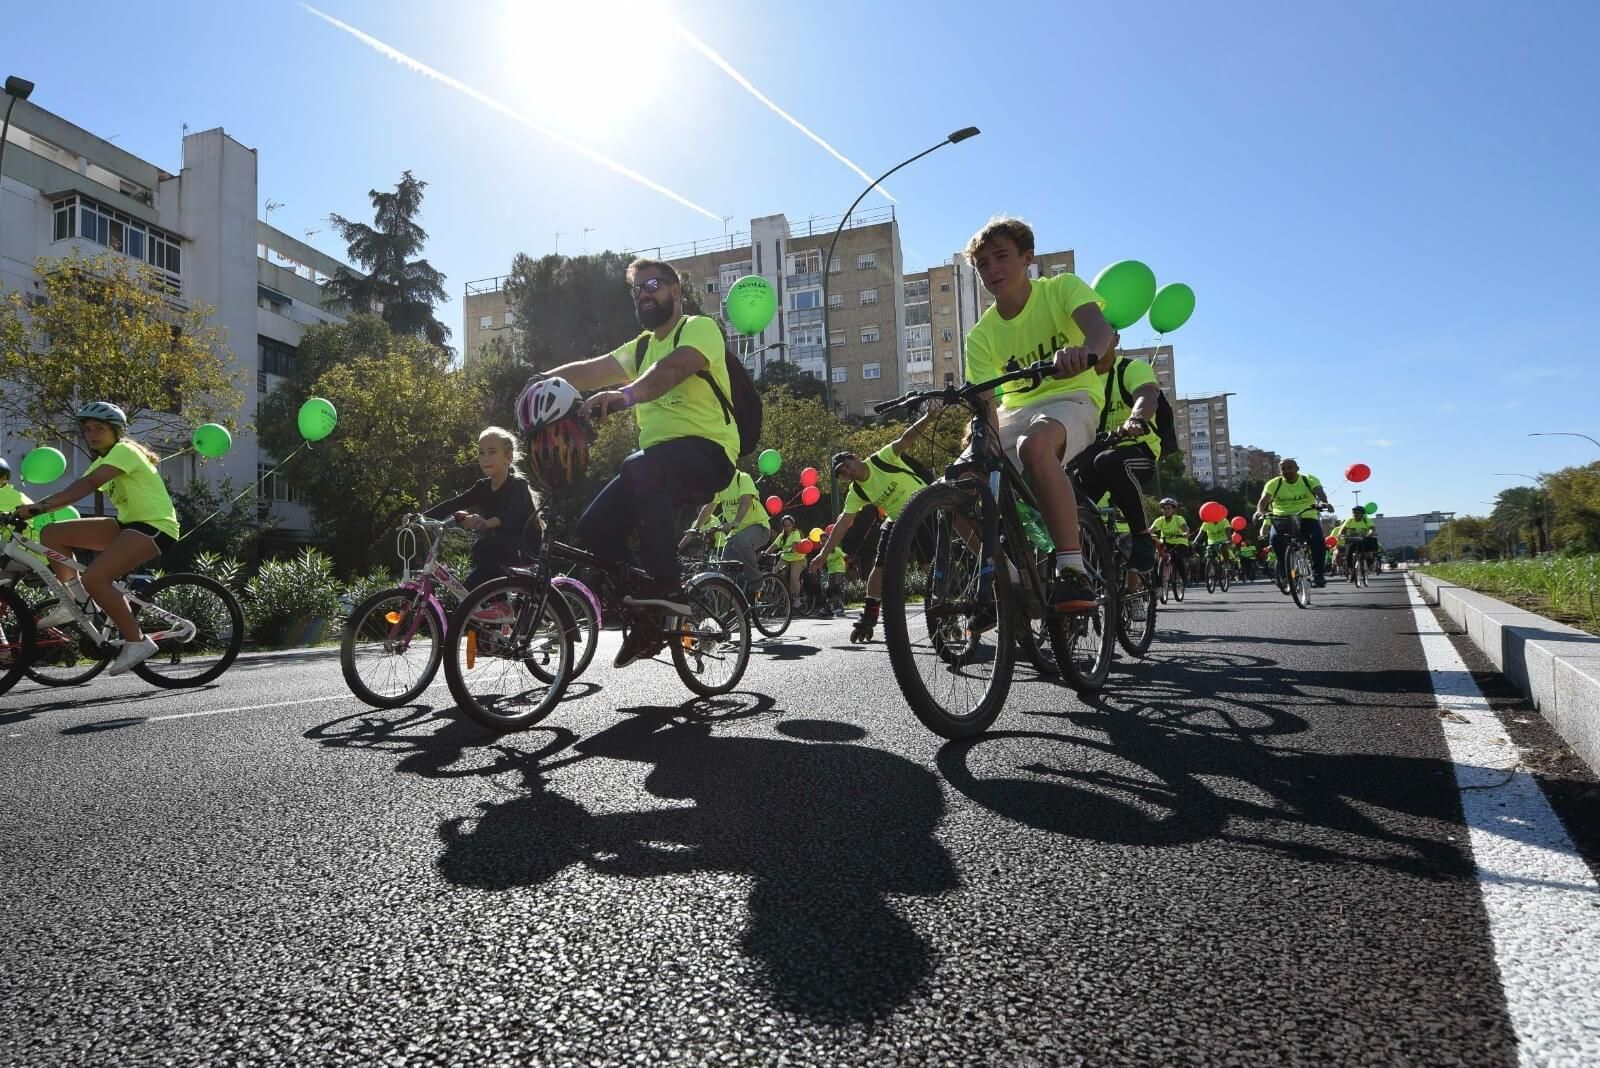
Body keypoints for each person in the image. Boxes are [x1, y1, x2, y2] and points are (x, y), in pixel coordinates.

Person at [534, 258, 738, 667]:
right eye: (637, 289)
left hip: (709, 454)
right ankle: (649, 615)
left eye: (653, 285)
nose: (645, 293)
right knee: (593, 527)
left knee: (637, 464)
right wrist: (540, 381)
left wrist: (624, 395)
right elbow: (591, 370)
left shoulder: (699, 328)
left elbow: (671, 371)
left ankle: (667, 584)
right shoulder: (641, 347)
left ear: (676, 290)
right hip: (656, 468)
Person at [959, 217, 1115, 612]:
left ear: (1028, 257)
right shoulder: (980, 336)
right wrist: (981, 446)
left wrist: (1086, 352)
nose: (992, 269)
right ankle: (1008, 577)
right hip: (1016, 411)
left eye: (1001, 257)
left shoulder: (1061, 288)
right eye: (982, 264)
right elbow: (988, 404)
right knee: (960, 480)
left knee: (1035, 447)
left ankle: (1072, 570)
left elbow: (1101, 331)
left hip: (1073, 398)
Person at [16, 402, 179, 675]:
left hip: (155, 526)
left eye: (99, 428)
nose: (92, 434)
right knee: (51, 533)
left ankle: (137, 641)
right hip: (127, 525)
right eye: (88, 429)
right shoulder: (103, 460)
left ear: (116, 431)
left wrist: (41, 507)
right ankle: (76, 601)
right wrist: (29, 509)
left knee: (95, 578)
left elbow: (88, 484)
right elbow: (73, 490)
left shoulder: (125, 451)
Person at [807, 404, 939, 643]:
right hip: (898, 518)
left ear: (855, 457)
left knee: (927, 564)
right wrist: (823, 555)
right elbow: (843, 523)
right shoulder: (856, 491)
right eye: (842, 473)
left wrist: (929, 417)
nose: (847, 472)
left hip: (923, 506)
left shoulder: (881, 459)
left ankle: (942, 610)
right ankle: (869, 616)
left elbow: (906, 439)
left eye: (847, 466)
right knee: (879, 568)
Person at [1073, 337, 1161, 572]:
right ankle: (1087, 553)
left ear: (1115, 338)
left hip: (1136, 450)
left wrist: (1136, 419)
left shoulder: (1131, 368)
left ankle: (1142, 537)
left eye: (1103, 333)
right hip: (1093, 454)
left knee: (1109, 461)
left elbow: (1146, 395)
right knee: (1067, 487)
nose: (1094, 338)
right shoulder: (1081, 379)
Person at [422, 427, 539, 593]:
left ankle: (481, 600)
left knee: (482, 548)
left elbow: (511, 515)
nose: (485, 458)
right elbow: (454, 503)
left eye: (492, 452)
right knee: (483, 556)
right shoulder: (482, 487)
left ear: (508, 457)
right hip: (501, 547)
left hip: (527, 547)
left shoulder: (519, 486)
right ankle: (491, 602)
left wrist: (485, 523)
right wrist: (421, 517)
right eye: (481, 453)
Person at [683, 468, 769, 597]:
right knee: (724, 571)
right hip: (736, 533)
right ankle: (729, 606)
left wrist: (735, 522)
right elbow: (709, 507)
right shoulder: (721, 485)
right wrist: (696, 528)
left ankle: (758, 583)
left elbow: (746, 500)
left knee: (741, 542)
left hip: (758, 527)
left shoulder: (742, 477)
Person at [1257, 457, 1333, 587]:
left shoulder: (1308, 479)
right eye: (1283, 469)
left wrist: (1323, 502)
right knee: (1275, 540)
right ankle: (1284, 573)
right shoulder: (1274, 483)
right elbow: (1264, 499)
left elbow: (1319, 492)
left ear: (1297, 468)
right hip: (1282, 518)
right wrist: (1259, 511)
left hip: (1307, 516)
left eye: (1290, 468)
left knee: (1317, 540)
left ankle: (1318, 574)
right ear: (1280, 471)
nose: (1287, 471)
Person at [1150, 498, 1191, 587]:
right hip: (1165, 543)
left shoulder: (1178, 518)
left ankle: (1184, 578)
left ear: (1173, 510)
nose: (1166, 510)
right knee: (1154, 558)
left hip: (1179, 543)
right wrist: (1144, 533)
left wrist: (1186, 532)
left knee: (1177, 557)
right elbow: (1151, 529)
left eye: (1169, 508)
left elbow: (1184, 527)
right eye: (1164, 508)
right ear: (1162, 510)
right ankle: (1157, 580)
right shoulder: (1160, 520)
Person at [1336, 506, 1378, 575]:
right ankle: (1351, 571)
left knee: (1367, 553)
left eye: (1358, 513)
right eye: (1354, 513)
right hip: (1351, 540)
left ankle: (1369, 564)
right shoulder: (1349, 520)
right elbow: (1343, 529)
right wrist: (1340, 534)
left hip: (1363, 540)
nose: (1355, 514)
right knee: (1348, 556)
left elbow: (1372, 528)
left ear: (1362, 514)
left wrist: (1370, 533)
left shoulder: (1366, 520)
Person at [772, 515, 806, 599]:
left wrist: (792, 549)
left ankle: (796, 598)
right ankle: (782, 594)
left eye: (788, 525)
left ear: (792, 525)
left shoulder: (795, 533)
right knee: (775, 573)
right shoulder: (781, 536)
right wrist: (765, 552)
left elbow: (795, 544)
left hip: (798, 559)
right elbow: (774, 545)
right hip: (785, 558)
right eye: (784, 525)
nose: (786, 527)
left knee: (793, 578)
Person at [1192, 513, 1233, 581]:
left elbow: (1228, 531)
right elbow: (1201, 533)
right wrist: (1195, 541)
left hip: (1223, 540)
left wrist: (1229, 540)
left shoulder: (1224, 520)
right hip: (1212, 542)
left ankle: (1226, 563)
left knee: (1222, 548)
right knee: (1209, 553)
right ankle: (1212, 567)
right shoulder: (1206, 523)